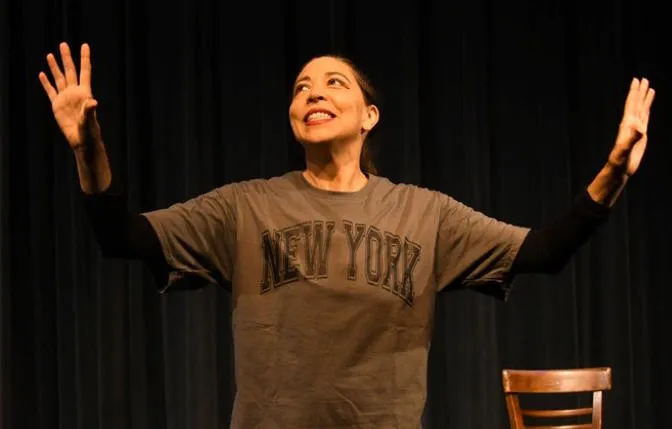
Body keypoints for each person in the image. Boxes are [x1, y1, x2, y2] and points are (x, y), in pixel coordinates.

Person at [39, 41, 655, 429]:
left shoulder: (424, 214)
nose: (313, 92)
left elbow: (544, 252)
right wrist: (88, 147)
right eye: (301, 87)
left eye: (334, 82)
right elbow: (121, 237)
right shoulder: (244, 208)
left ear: (369, 115)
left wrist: (614, 171)